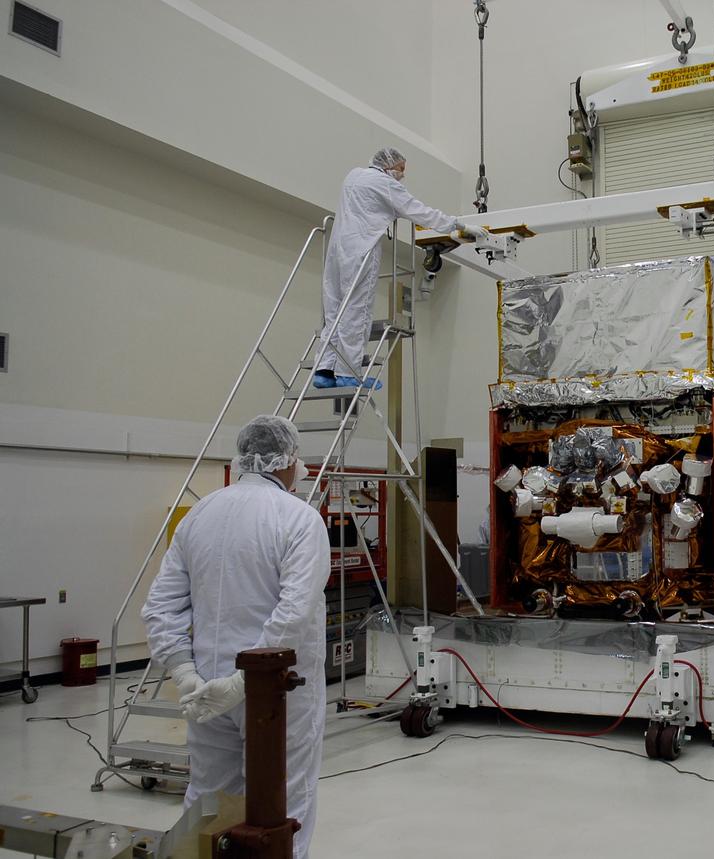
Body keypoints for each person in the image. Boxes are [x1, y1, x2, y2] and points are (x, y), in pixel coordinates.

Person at [142, 415, 330, 858]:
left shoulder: (199, 515)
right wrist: (245, 683)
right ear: (286, 460)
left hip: (206, 686)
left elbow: (160, 606)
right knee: (284, 801)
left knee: (208, 797)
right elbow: (293, 613)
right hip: (276, 691)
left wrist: (185, 674)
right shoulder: (299, 519)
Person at [315, 147, 491, 389]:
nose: (402, 175)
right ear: (389, 166)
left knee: (334, 309)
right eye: (401, 169)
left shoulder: (354, 175)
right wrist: (458, 225)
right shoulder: (386, 184)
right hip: (362, 249)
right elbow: (420, 212)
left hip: (336, 249)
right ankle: (348, 373)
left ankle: (324, 370)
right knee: (357, 310)